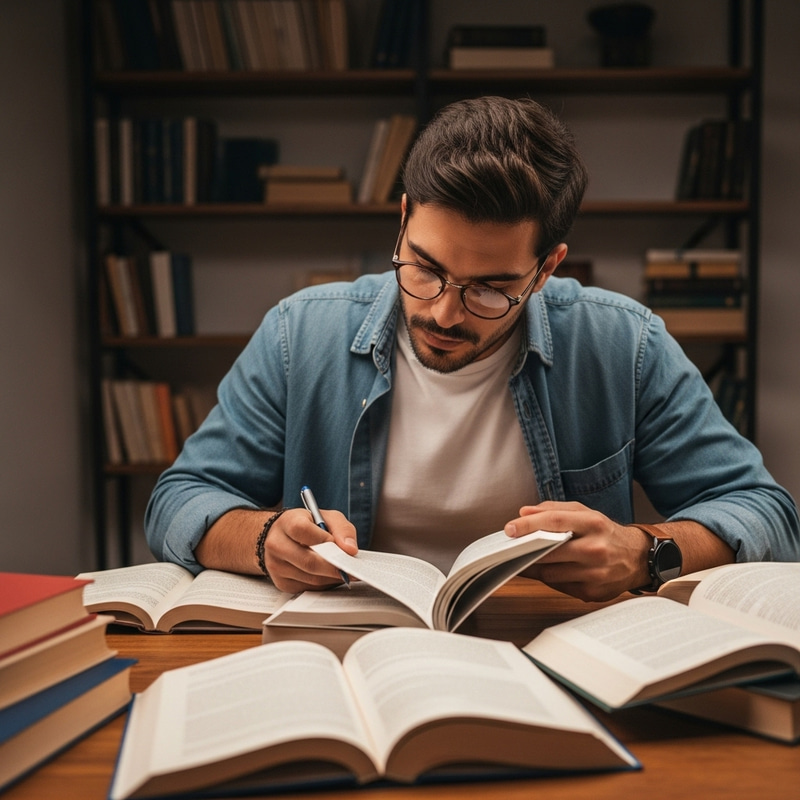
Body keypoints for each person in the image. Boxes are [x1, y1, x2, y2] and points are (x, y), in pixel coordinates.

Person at [145, 96, 799, 602]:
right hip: (351, 649)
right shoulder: (300, 334)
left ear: (547, 269)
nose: (442, 311)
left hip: (553, 652)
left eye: (490, 289)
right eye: (423, 267)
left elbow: (767, 515)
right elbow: (180, 500)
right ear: (402, 218)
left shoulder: (622, 344)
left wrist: (642, 550)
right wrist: (262, 541)